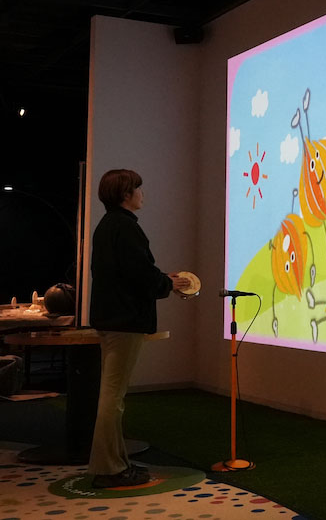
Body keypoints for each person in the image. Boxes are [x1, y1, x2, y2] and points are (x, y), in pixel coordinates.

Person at [87, 169, 190, 488]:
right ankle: (108, 469)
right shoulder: (126, 227)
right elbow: (139, 275)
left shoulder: (107, 226)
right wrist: (167, 284)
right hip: (125, 320)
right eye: (138, 189)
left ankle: (117, 463)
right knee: (113, 397)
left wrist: (162, 280)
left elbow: (126, 272)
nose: (142, 194)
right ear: (125, 194)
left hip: (111, 319)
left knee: (112, 394)